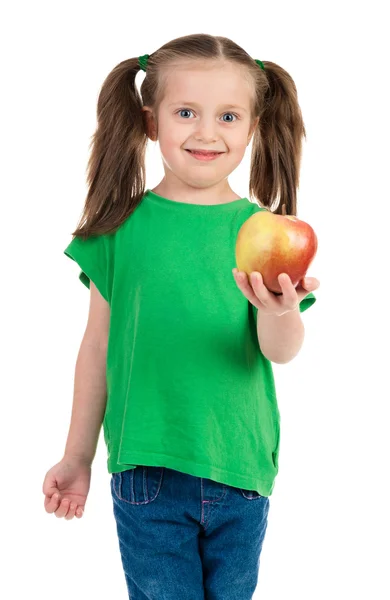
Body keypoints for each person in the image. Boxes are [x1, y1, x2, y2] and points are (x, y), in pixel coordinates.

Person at [42, 33, 320, 600]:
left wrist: (281, 311)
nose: (206, 132)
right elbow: (97, 346)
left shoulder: (265, 233)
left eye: (228, 115)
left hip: (240, 468)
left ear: (253, 126)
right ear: (151, 121)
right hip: (148, 468)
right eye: (186, 112)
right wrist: (77, 455)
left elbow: (280, 350)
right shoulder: (120, 227)